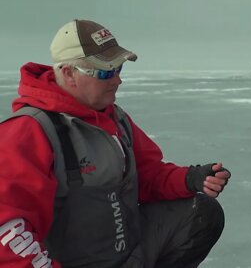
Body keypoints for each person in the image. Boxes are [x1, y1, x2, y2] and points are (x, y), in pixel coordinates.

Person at [0, 19, 231, 268]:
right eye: (105, 72)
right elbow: (8, 229)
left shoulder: (113, 117)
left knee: (201, 214)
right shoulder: (28, 132)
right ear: (69, 74)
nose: (117, 80)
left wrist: (191, 178)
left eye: (119, 68)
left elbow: (147, 174)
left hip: (126, 252)